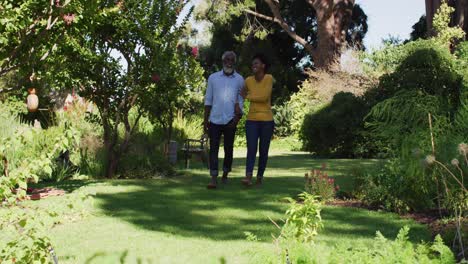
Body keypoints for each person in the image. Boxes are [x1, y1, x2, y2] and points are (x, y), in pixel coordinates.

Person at [204, 51, 244, 189]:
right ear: (222, 61)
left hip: (230, 120)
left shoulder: (240, 79)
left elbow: (241, 101)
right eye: (227, 59)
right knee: (213, 149)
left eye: (232, 60)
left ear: (234, 62)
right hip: (214, 120)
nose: (229, 62)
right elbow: (208, 100)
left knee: (229, 149)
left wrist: (236, 120)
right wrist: (205, 122)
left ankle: (225, 174)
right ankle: (213, 178)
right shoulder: (213, 78)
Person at [240, 53, 275, 186]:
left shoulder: (269, 78)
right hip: (252, 120)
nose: (253, 65)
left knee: (263, 150)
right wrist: (247, 96)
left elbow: (264, 97)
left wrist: (248, 96)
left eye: (257, 63)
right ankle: (248, 176)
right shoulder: (248, 80)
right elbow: (241, 95)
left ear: (263, 66)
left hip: (267, 120)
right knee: (251, 148)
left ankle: (259, 177)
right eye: (253, 63)